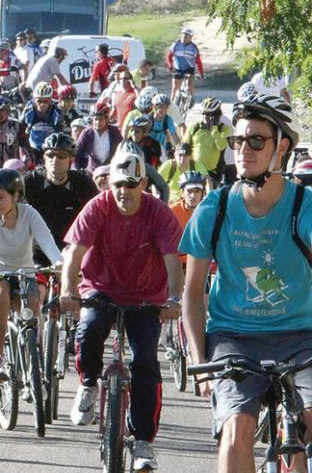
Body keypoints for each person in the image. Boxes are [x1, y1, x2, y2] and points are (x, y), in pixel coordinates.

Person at [179, 94, 312, 473]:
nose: (244, 150)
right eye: (238, 140)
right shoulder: (214, 208)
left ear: (282, 146)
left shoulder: (305, 206)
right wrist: (199, 360)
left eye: (257, 140)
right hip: (234, 336)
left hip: (302, 334)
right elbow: (192, 293)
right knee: (237, 431)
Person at [60, 151, 184, 472]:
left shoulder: (159, 213)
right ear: (109, 183)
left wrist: (174, 299)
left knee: (145, 361)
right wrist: (67, 291)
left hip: (146, 297)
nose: (124, 192)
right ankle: (88, 385)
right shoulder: (97, 207)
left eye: (131, 184)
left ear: (143, 183)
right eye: (118, 184)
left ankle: (143, 441)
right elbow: (74, 254)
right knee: (89, 327)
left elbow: (173, 259)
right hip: (101, 288)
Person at [0, 168, 62, 380]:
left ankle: (34, 363)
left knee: (31, 312)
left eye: (1, 197)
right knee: (1, 295)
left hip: (24, 272)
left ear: (16, 196)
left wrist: (60, 263)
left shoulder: (29, 214)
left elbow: (47, 241)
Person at [24, 133, 98, 267]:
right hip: (37, 252)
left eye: (61, 156)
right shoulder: (30, 182)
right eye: (50, 155)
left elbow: (96, 219)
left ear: (71, 160)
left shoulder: (83, 184)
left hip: (72, 251)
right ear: (44, 158)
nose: (55, 160)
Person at [75, 101, 123, 174]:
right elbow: (76, 150)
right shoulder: (87, 133)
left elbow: (121, 149)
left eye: (100, 119)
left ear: (106, 119)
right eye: (95, 119)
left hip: (110, 170)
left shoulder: (114, 132)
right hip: (91, 171)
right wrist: (77, 168)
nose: (97, 122)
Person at [22, 82, 63, 161]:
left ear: (50, 100)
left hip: (50, 147)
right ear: (34, 100)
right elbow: (21, 130)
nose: (42, 104)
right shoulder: (28, 109)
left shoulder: (57, 112)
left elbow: (59, 133)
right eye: (39, 101)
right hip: (32, 146)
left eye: (45, 101)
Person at [167, 27, 204, 102]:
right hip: (178, 68)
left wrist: (201, 73)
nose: (183, 38)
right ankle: (171, 104)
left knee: (189, 84)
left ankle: (191, 99)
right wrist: (170, 66)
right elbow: (169, 56)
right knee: (175, 88)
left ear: (190, 38)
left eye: (186, 37)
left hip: (189, 69)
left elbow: (198, 61)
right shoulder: (176, 45)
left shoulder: (193, 48)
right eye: (182, 36)